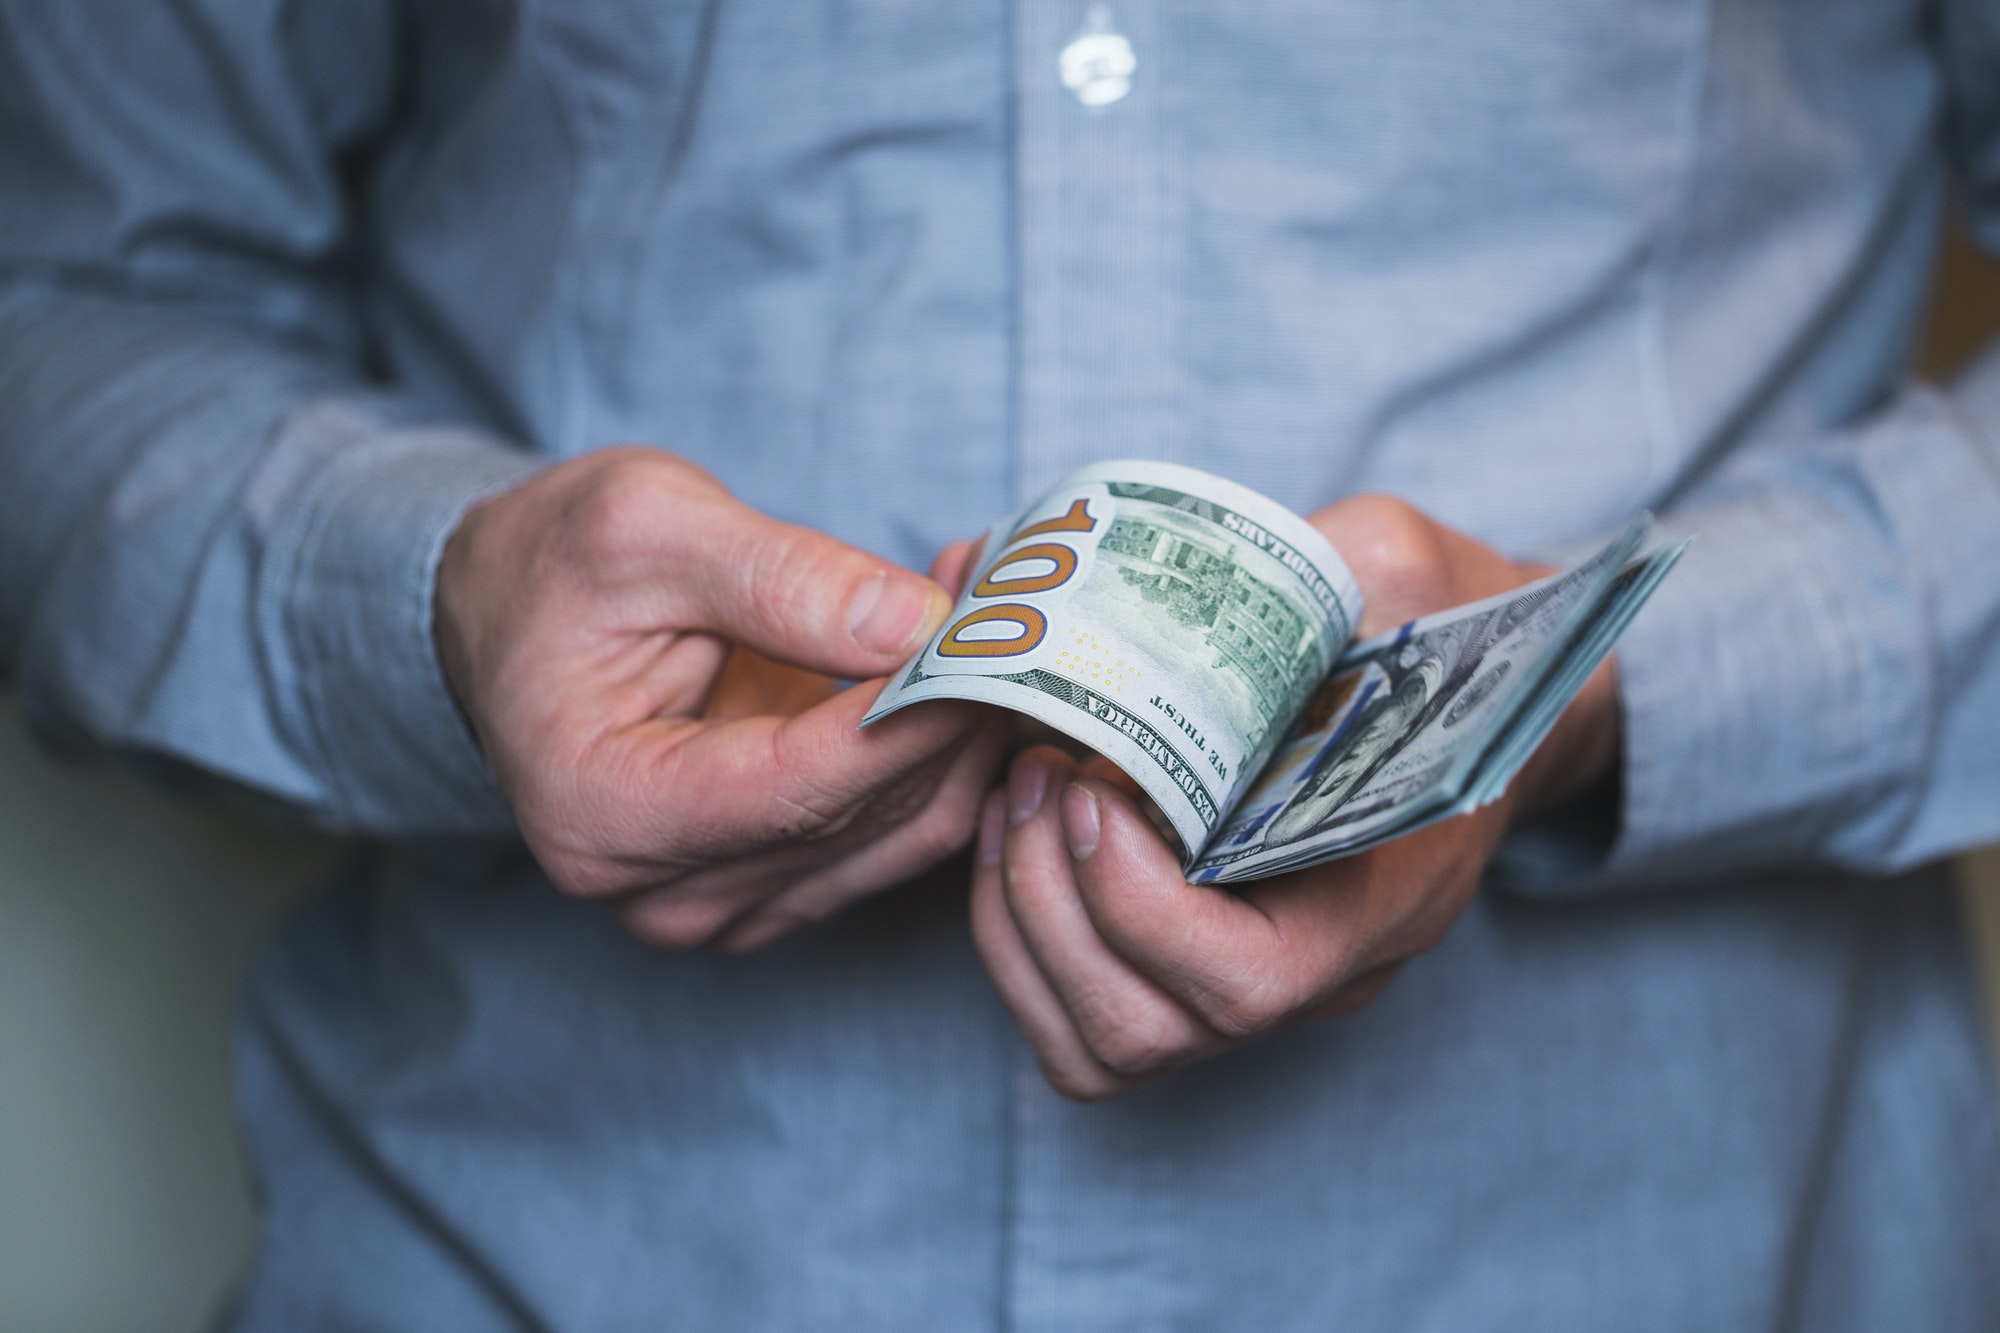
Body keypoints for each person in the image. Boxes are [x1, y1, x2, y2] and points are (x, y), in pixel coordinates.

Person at [3, 1, 1997, 1326]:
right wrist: (429, 600)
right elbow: (67, 315)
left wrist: (1592, 688)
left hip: (1692, 1252)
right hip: (530, 1249)